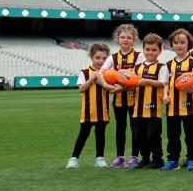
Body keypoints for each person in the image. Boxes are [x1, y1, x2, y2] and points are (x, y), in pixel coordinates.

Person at [67, 43, 121, 169]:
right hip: (88, 111)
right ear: (91, 57)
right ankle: (74, 159)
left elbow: (113, 88)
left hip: (103, 110)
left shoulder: (109, 73)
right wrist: (92, 78)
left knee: (100, 134)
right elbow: (81, 89)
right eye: (97, 58)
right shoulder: (85, 72)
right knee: (83, 134)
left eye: (104, 58)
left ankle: (100, 159)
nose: (100, 61)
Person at [101, 24, 143, 169]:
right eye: (122, 37)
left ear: (134, 40)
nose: (125, 40)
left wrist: (122, 87)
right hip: (118, 100)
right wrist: (108, 86)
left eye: (129, 37)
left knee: (135, 128)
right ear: (117, 39)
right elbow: (102, 72)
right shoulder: (113, 57)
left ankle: (135, 157)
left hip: (135, 98)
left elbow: (137, 78)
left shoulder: (139, 56)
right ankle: (120, 157)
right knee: (120, 128)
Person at [162, 29, 193, 171]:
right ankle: (172, 160)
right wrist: (165, 95)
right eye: (176, 42)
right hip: (173, 106)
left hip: (191, 106)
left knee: (191, 135)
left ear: (189, 44)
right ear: (172, 45)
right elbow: (166, 83)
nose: (179, 45)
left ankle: (191, 159)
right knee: (173, 135)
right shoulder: (168, 64)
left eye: (182, 42)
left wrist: (191, 88)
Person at [132, 33, 169, 169]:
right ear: (143, 49)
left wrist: (146, 81)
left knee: (153, 135)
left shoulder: (161, 66)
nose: (150, 52)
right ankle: (145, 158)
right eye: (147, 49)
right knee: (139, 136)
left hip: (153, 108)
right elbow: (132, 81)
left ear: (160, 50)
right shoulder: (137, 67)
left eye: (154, 50)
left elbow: (162, 83)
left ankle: (157, 159)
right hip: (138, 108)